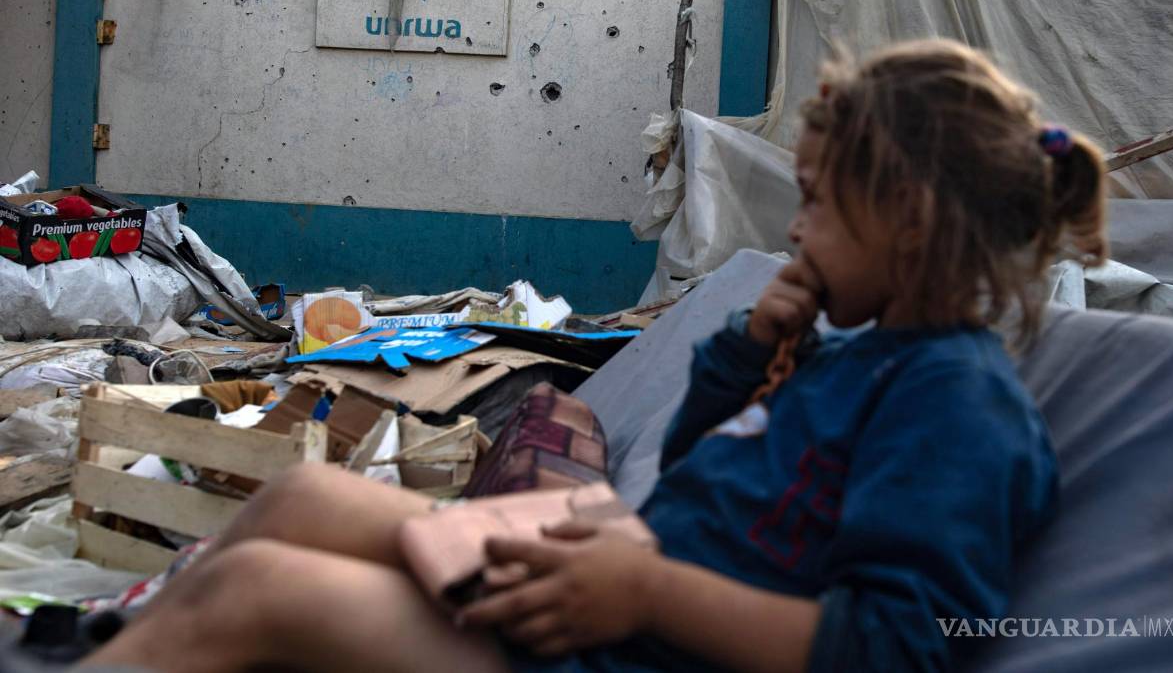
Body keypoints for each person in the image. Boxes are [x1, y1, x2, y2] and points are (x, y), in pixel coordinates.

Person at [84, 39, 1106, 673]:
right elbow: (718, 475)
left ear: (911, 226)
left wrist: (647, 594)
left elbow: (896, 649)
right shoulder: (858, 354)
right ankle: (161, 645)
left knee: (260, 588)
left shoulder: (954, 407)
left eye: (819, 205)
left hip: (632, 646)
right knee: (307, 505)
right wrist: (751, 353)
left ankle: (194, 635)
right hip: (611, 602)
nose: (796, 232)